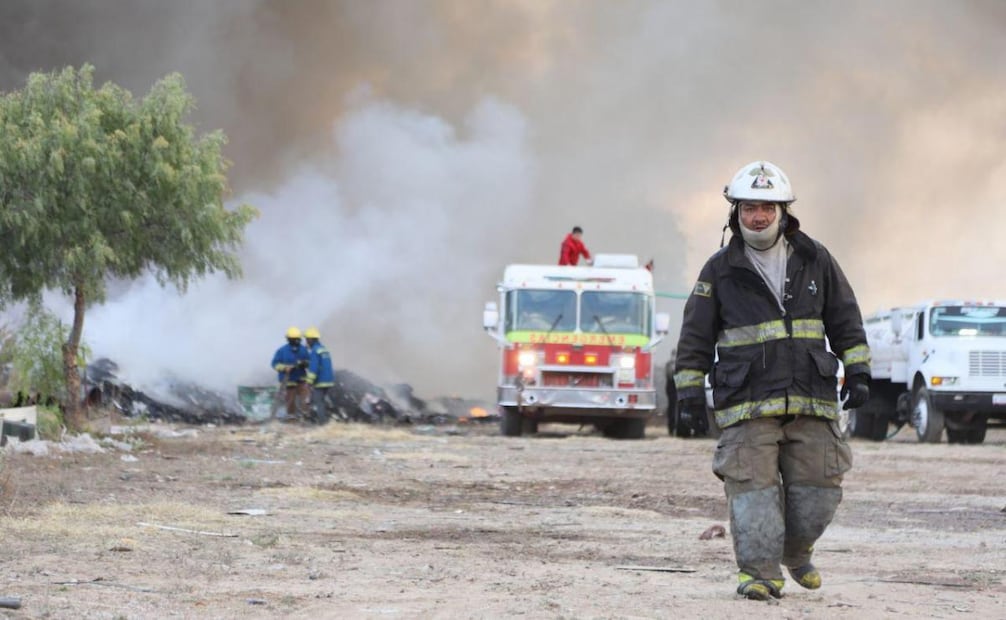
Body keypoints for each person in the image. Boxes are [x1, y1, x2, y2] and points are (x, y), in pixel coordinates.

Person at [673, 161, 871, 601]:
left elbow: (844, 318)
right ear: (735, 213)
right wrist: (688, 391)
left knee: (820, 493)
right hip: (746, 404)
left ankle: (796, 552)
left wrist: (858, 369)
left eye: (767, 207)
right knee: (753, 495)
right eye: (749, 208)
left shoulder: (815, 258)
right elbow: (695, 336)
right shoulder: (719, 270)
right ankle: (761, 575)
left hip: (811, 399)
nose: (758, 216)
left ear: (783, 211)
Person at [271, 326, 311, 420]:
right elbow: (274, 364)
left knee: (305, 398)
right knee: (290, 400)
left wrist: (304, 364)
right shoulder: (282, 350)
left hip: (301, 378)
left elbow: (309, 361)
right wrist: (284, 368)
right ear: (289, 339)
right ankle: (291, 417)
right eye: (294, 339)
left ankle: (306, 416)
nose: (297, 341)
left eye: (298, 339)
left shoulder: (303, 349)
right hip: (288, 380)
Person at [304, 327, 335, 424]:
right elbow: (324, 365)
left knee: (319, 402)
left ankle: (322, 424)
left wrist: (308, 382)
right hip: (328, 380)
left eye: (307, 340)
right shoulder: (323, 349)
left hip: (320, 381)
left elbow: (314, 368)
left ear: (310, 339)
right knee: (320, 401)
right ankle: (323, 419)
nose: (306, 342)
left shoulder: (314, 351)